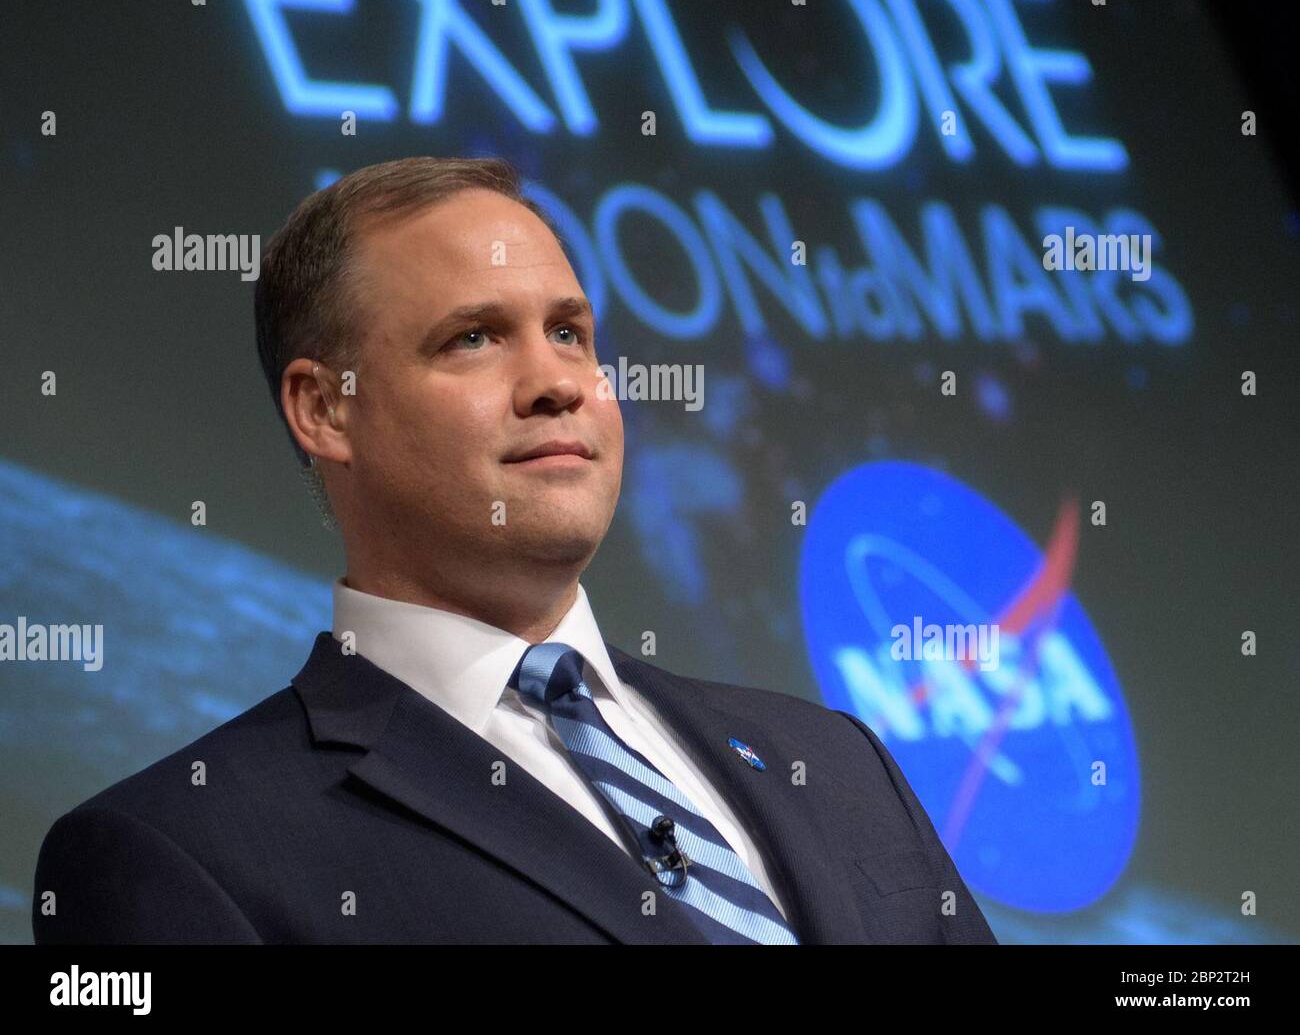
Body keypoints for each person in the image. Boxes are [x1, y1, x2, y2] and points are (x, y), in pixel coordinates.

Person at [32, 156, 997, 945]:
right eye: (474, 340)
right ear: (326, 409)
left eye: (570, 333)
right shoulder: (179, 854)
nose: (555, 383)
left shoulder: (834, 761)